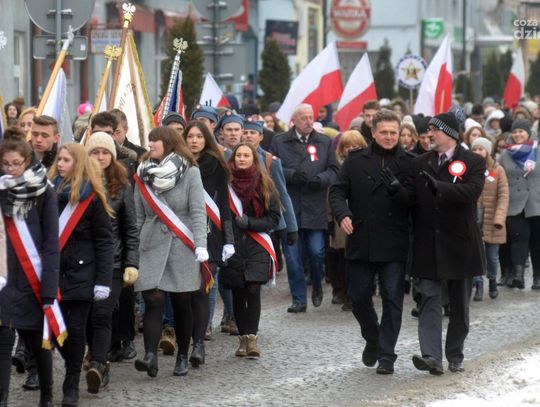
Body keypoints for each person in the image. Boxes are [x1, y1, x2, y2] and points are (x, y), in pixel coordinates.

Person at [385, 112, 485, 375]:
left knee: (459, 305)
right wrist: (396, 191)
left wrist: (440, 186)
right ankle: (431, 357)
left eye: (434, 130)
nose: (429, 135)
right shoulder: (420, 162)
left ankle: (455, 354)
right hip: (428, 244)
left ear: (449, 133)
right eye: (428, 130)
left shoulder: (473, 161)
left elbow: (472, 192)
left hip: (460, 244)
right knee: (428, 299)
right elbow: (410, 199)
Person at [330, 111, 413, 375]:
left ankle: (387, 355)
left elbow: (415, 203)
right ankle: (373, 338)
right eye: (384, 132)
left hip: (394, 240)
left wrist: (398, 190)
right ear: (373, 133)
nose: (389, 137)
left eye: (393, 132)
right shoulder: (355, 161)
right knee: (358, 297)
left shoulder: (410, 162)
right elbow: (337, 191)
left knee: (392, 299)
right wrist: (342, 214)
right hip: (361, 238)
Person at [133, 127, 208, 378]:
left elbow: (198, 211)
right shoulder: (143, 173)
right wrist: (134, 249)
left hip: (182, 244)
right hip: (151, 244)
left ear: (169, 143)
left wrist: (201, 245)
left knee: (181, 302)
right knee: (153, 299)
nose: (150, 144)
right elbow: (138, 216)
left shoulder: (191, 172)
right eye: (149, 140)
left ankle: (183, 355)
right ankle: (150, 356)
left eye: (155, 141)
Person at [48, 143, 114, 406]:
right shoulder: (48, 193)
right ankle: (74, 362)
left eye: (66, 160)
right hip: (54, 274)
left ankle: (72, 381)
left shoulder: (92, 198)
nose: (60, 164)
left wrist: (103, 281)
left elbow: (104, 241)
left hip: (82, 273)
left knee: (75, 330)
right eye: (59, 160)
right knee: (56, 331)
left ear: (78, 163)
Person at [0, 139, 59, 407]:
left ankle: (47, 395)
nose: (10, 169)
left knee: (38, 342)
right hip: (4, 278)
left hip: (32, 278)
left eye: (16, 163)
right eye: (5, 164)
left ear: (27, 162)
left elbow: (51, 243)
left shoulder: (44, 192)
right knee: (3, 341)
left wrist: (49, 289)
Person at [83, 133, 140, 393]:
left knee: (103, 312)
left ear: (112, 155)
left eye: (105, 152)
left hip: (114, 262)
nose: (100, 157)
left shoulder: (122, 185)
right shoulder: (79, 183)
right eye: (95, 152)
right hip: (85, 261)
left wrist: (132, 263)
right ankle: (94, 352)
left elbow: (130, 229)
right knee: (86, 315)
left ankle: (99, 363)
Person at [270, 103, 339, 312]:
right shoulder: (280, 141)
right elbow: (272, 166)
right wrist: (291, 175)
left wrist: (322, 179)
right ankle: (299, 299)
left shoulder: (324, 142)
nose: (309, 121)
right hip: (290, 207)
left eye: (311, 117)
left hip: (315, 207)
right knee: (292, 257)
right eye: (304, 118)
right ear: (294, 121)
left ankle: (317, 284)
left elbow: (334, 169)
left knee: (317, 252)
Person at [182, 120, 235, 364]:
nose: (194, 141)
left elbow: (223, 203)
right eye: (190, 136)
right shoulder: (177, 164)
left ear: (207, 139)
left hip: (211, 235)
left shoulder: (216, 165)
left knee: (202, 290)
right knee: (185, 293)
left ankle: (199, 344)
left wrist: (228, 239)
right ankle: (185, 342)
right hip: (183, 231)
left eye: (199, 136)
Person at [221, 143, 280, 358]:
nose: (242, 159)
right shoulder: (225, 185)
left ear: (253, 159)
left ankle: (252, 338)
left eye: (246, 155)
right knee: (238, 290)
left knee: (253, 289)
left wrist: (251, 223)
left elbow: (274, 217)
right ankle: (243, 339)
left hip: (257, 242)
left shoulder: (265, 184)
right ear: (233, 159)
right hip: (233, 244)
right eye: (239, 155)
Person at [242, 117, 298, 275]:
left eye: (253, 132)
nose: (248, 136)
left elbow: (282, 194)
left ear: (261, 136)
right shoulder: (234, 157)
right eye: (245, 132)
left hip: (264, 221)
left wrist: (291, 227)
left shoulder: (269, 161)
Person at [327, 130, 367, 310]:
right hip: (340, 218)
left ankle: (355, 294)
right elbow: (331, 195)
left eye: (355, 146)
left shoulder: (366, 165)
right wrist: (331, 219)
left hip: (361, 218)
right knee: (340, 258)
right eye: (347, 146)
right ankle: (343, 292)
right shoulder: (336, 167)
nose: (351, 149)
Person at [498, 119, 540, 289]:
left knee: (537, 241)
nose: (517, 134)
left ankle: (538, 277)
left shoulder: (538, 150)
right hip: (514, 203)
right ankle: (518, 275)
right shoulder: (505, 154)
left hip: (536, 202)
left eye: (521, 131)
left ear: (528, 133)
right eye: (515, 132)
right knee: (518, 238)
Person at [470, 137, 509, 300]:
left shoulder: (498, 170)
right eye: (475, 149)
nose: (477, 152)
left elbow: (503, 195)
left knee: (492, 257)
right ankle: (478, 283)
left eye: (481, 149)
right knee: (475, 255)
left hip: (493, 221)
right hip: (474, 219)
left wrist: (499, 218)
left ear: (487, 151)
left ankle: (492, 279)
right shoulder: (468, 169)